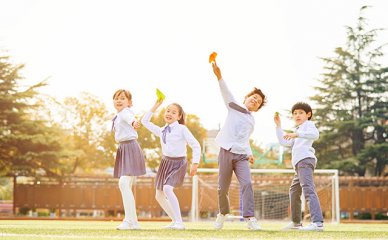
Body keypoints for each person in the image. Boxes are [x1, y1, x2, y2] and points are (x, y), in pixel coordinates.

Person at [211, 62, 266, 230]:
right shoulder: (234, 106)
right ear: (246, 98)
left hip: (241, 156)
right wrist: (219, 76)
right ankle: (222, 214)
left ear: (257, 108)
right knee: (223, 188)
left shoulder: (252, 121)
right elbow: (226, 93)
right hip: (226, 152)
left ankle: (249, 218)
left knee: (247, 183)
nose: (255, 100)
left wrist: (249, 153)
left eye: (258, 102)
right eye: (253, 97)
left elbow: (245, 139)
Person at [141, 98, 201, 230]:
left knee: (168, 188)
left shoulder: (182, 129)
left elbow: (196, 145)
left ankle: (180, 222)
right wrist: (156, 105)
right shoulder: (162, 130)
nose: (169, 113)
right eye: (168, 111)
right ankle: (175, 221)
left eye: (174, 112)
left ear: (179, 117)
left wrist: (195, 163)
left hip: (179, 163)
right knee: (159, 195)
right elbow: (144, 121)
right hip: (165, 162)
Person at [274, 102, 324, 231]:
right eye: (295, 113)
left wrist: (296, 134)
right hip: (299, 165)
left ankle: (317, 223)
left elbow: (315, 135)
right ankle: (296, 222)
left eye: (300, 112)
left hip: (305, 161)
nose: (297, 115)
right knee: (294, 191)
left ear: (308, 114)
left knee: (308, 189)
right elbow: (284, 142)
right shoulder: (298, 130)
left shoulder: (308, 125)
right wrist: (278, 126)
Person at [111, 89, 146, 230]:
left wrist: (134, 123)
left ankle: (129, 221)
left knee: (124, 183)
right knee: (125, 185)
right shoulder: (119, 114)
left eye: (123, 98)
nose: (119, 100)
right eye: (116, 98)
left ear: (129, 102)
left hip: (130, 148)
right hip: (124, 148)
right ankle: (133, 222)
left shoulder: (125, 112)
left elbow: (131, 119)